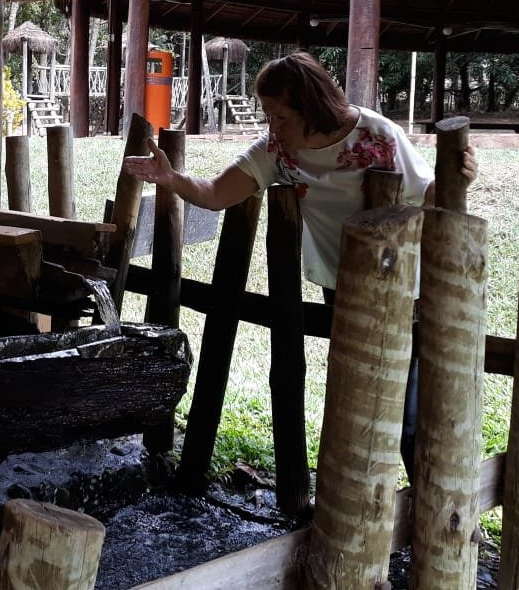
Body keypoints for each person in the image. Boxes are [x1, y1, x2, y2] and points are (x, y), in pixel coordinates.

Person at [122, 51, 478, 482]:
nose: (273, 127)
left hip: (406, 286)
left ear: (312, 108)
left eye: (282, 116)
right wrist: (172, 178)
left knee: (408, 413)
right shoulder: (278, 150)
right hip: (342, 285)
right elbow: (216, 193)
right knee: (359, 400)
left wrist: (461, 173)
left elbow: (430, 196)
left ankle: (434, 508)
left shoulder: (377, 136)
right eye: (269, 116)